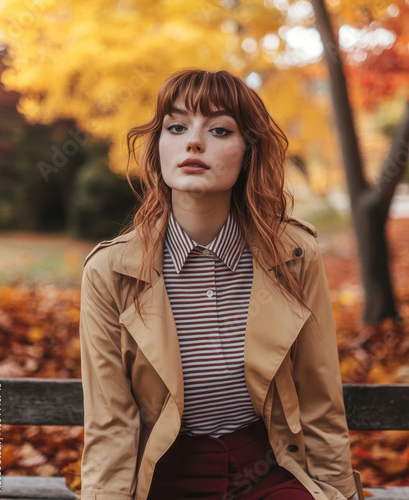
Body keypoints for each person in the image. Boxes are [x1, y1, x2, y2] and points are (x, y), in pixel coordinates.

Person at [79, 68, 364, 500]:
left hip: (269, 469)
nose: (194, 141)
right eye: (176, 127)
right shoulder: (109, 272)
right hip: (165, 476)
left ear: (247, 151)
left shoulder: (295, 255)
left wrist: (337, 493)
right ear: (158, 149)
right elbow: (111, 425)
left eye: (219, 129)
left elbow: (319, 401)